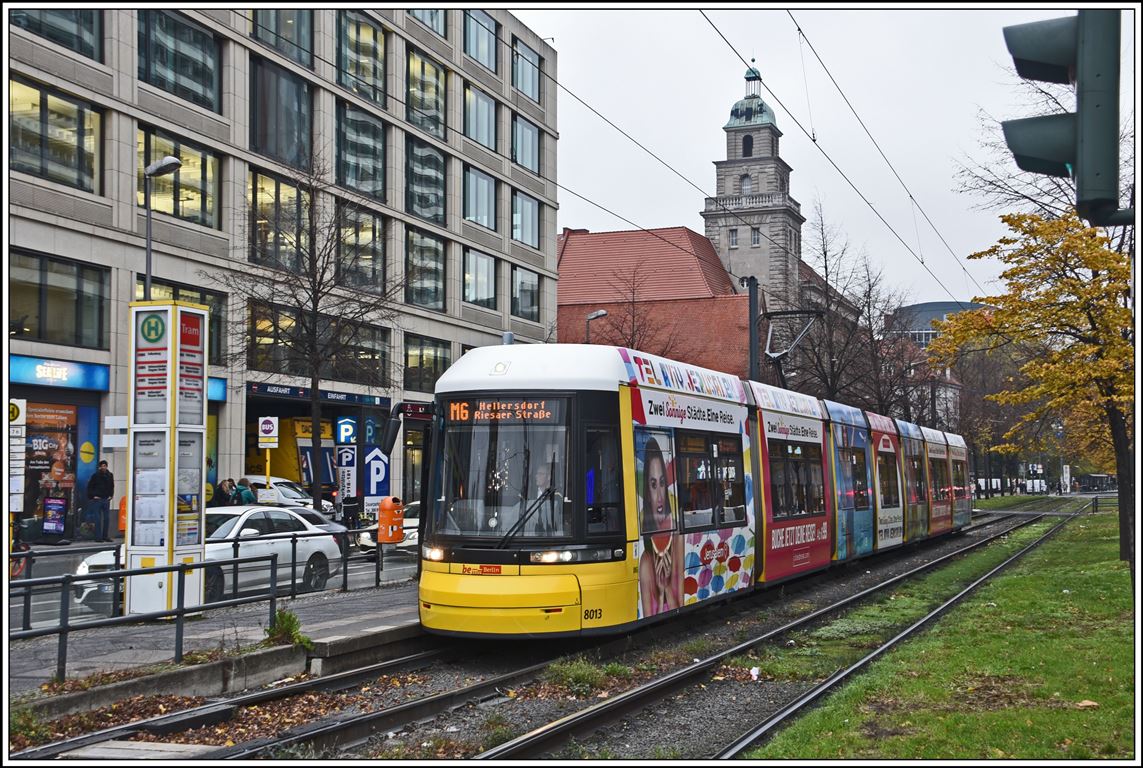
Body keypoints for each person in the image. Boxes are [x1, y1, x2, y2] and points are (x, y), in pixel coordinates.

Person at [638, 437, 682, 617]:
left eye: (662, 483)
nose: (659, 495)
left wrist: (666, 589)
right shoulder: (645, 562)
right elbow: (648, 615)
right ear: (647, 491)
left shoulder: (677, 534)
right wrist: (661, 590)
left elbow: (681, 604)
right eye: (653, 484)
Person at [86, 460, 115, 542]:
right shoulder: (95, 476)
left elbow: (112, 486)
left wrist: (111, 496)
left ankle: (105, 536)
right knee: (97, 519)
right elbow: (90, 487)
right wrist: (93, 496)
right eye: (102, 466)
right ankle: (98, 537)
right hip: (97, 500)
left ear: (107, 466)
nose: (103, 467)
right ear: (100, 467)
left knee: (107, 518)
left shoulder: (110, 475)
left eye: (105, 466)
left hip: (106, 499)